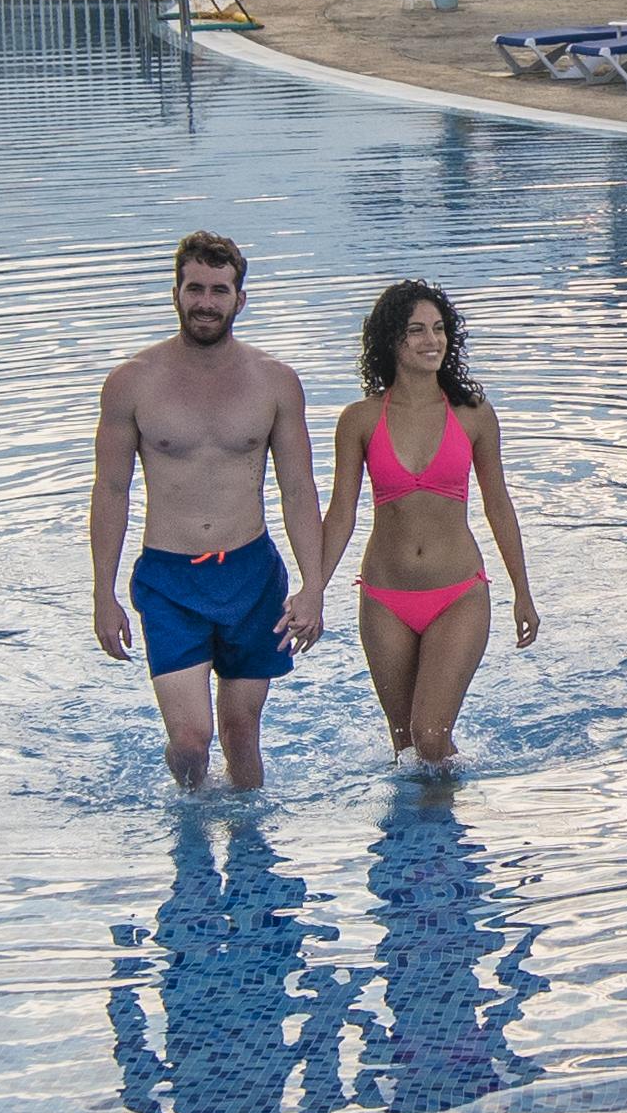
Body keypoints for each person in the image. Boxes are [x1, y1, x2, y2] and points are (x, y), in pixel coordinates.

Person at [85, 229, 336, 791]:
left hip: (251, 574)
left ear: (239, 299)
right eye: (194, 288)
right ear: (175, 292)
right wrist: (103, 594)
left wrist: (314, 585)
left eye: (218, 290)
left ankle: (253, 858)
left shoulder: (275, 382)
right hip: (170, 578)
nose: (205, 302)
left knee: (242, 732)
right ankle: (191, 811)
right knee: (191, 740)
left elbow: (299, 489)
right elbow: (111, 491)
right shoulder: (131, 383)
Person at [327, 281, 550, 767]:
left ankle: (457, 825)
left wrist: (522, 591)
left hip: (458, 594)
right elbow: (340, 512)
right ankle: (421, 839)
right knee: (406, 747)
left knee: (430, 736)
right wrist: (311, 592)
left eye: (439, 329)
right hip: (384, 598)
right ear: (392, 341)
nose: (432, 341)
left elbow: (499, 506)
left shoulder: (472, 415)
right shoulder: (359, 420)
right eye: (416, 331)